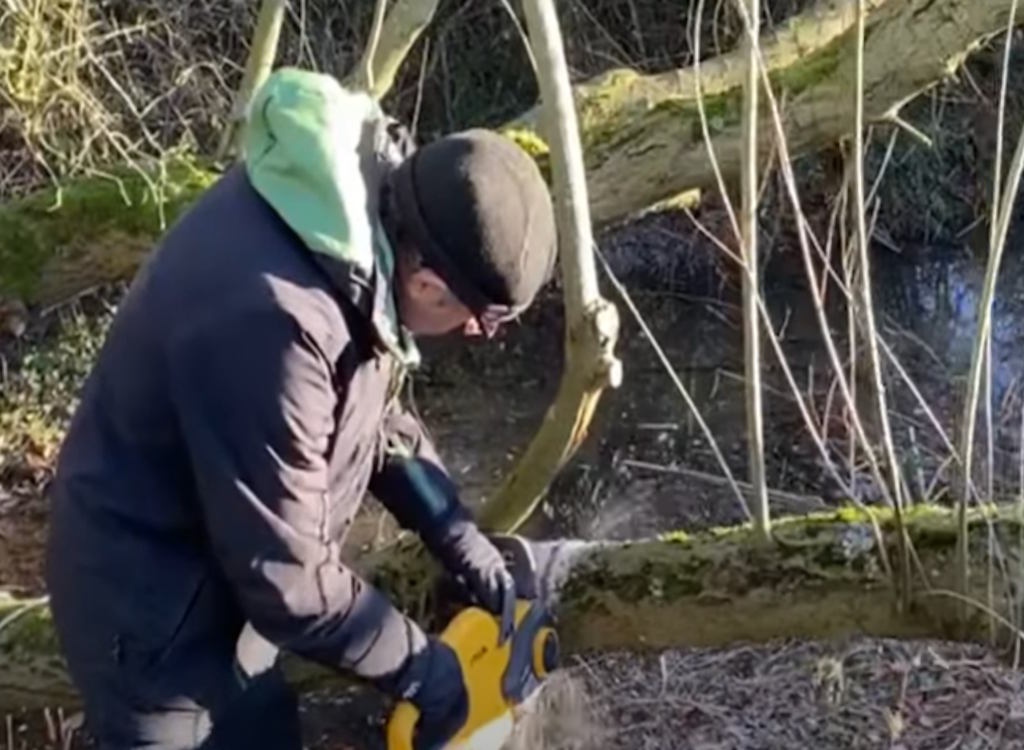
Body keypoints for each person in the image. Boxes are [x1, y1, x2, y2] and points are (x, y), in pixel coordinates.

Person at [44, 67, 557, 750]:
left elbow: (371, 414)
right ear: (431, 281)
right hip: (150, 620)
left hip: (223, 583)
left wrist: (456, 535)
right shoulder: (276, 323)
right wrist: (428, 674)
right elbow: (288, 584)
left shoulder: (352, 229)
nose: (474, 336)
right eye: (480, 321)